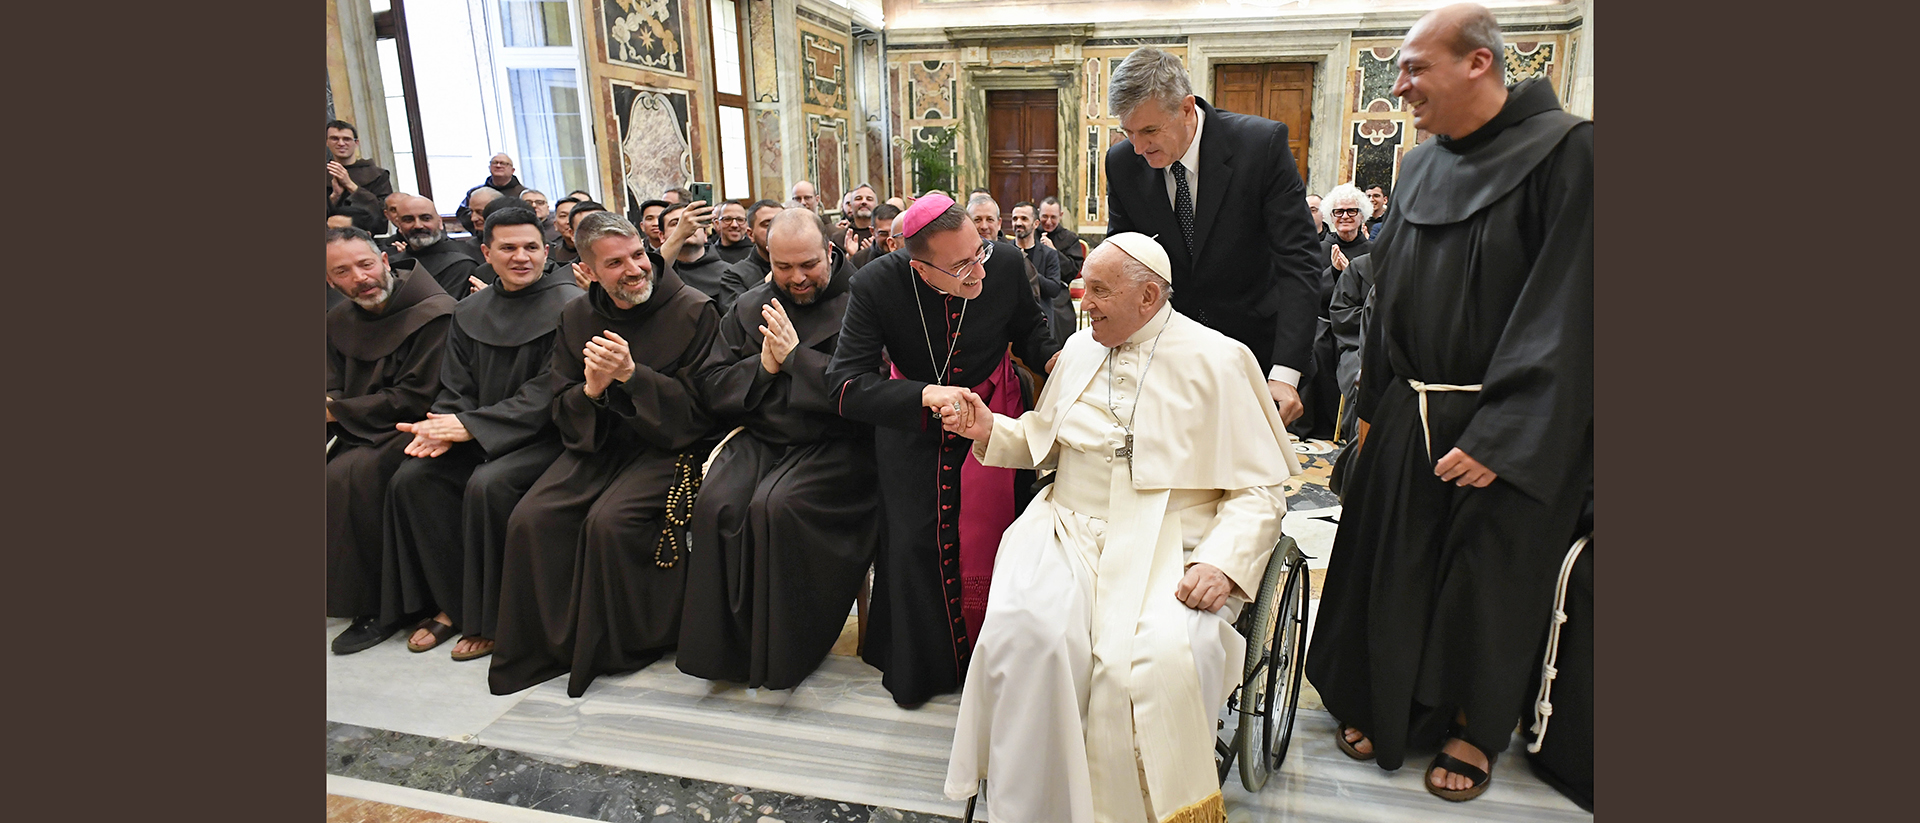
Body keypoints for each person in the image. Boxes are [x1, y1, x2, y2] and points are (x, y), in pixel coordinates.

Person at [1304, 2, 1593, 803]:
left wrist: (1504, 432)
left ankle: (1474, 722)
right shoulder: (1422, 165)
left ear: (1479, 63)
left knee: (1486, 580)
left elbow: (1573, 306)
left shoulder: (1571, 153)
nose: (1397, 87)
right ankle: (1390, 700)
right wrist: (1372, 405)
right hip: (1412, 404)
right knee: (1396, 560)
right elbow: (1388, 294)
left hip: (1509, 420)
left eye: (1412, 67)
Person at [941, 234, 1299, 823]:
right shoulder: (1081, 350)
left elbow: (1259, 489)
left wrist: (1224, 561)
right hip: (1066, 527)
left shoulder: (1221, 358)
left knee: (1165, 657)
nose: (1084, 302)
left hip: (1174, 538)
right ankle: (1036, 807)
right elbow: (1041, 441)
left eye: (1102, 291)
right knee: (1030, 635)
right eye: (1086, 287)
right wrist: (988, 429)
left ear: (1149, 296)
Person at [825, 193, 1060, 708]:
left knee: (1000, 540)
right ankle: (926, 668)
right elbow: (843, 385)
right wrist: (924, 395)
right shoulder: (876, 283)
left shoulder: (1003, 264)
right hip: (912, 425)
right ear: (920, 267)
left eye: (980, 252)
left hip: (994, 419)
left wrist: (1062, 359)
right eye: (960, 266)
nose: (978, 272)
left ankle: (998, 663)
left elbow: (1031, 333)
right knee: (915, 543)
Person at [487, 211, 721, 698]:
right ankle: (552, 645)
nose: (635, 269)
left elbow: (705, 409)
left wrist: (635, 377)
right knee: (533, 517)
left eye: (638, 255)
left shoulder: (694, 309)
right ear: (588, 271)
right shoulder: (577, 315)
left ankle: (620, 646)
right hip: (598, 443)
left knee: (609, 522)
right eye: (615, 263)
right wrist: (592, 391)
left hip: (668, 445)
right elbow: (561, 401)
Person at [679, 209, 879, 689]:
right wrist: (764, 369)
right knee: (717, 504)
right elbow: (709, 384)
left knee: (778, 507)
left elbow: (874, 388)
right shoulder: (751, 307)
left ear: (829, 252)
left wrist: (796, 361)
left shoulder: (866, 303)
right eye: (783, 267)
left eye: (807, 265)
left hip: (839, 444)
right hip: (765, 437)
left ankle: (786, 652)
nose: (796, 278)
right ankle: (729, 652)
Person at [379, 206, 583, 661]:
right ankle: (453, 604)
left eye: (531, 247)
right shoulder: (470, 309)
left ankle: (491, 616)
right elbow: (456, 385)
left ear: (546, 251)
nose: (521, 257)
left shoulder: (571, 305)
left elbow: (549, 390)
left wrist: (470, 427)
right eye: (507, 248)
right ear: (486, 253)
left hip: (549, 438)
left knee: (488, 485)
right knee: (413, 479)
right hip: (480, 432)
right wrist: (443, 429)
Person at [1102, 46, 1323, 427]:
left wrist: (1285, 374)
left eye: (1150, 131)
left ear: (1187, 108)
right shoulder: (1123, 163)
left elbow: (1299, 262)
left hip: (1257, 353)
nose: (1138, 147)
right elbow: (1125, 263)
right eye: (1129, 132)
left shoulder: (1260, 145)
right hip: (1168, 359)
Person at [325, 226, 457, 654]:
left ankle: (383, 605)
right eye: (342, 272)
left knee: (350, 476)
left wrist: (339, 412)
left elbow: (418, 395)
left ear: (384, 261)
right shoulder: (339, 319)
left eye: (365, 264)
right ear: (330, 282)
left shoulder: (434, 311)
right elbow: (333, 381)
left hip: (419, 425)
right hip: (361, 423)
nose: (359, 278)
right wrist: (335, 407)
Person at [1294, 183, 1373, 441]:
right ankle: (1315, 426)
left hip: (1360, 324)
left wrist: (1352, 275)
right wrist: (1337, 272)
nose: (1345, 217)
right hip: (1324, 320)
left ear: (1362, 215)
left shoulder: (1373, 253)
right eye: (1338, 212)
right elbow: (1310, 292)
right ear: (1331, 216)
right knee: (1316, 348)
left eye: (1352, 211)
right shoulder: (1318, 249)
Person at [390, 195, 487, 300]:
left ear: (440, 222)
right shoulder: (393, 264)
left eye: (426, 218)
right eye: (408, 220)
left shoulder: (461, 264)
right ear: (399, 226)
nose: (418, 225)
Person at [1009, 200, 1076, 347]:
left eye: (1024, 219)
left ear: (1035, 224)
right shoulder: (1006, 251)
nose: (1018, 223)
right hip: (1010, 319)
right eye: (1015, 219)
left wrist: (1028, 270)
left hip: (1040, 319)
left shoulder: (1049, 254)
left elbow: (1053, 289)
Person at [1327, 252, 1375, 444]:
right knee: (1363, 376)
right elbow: (1340, 312)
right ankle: (1357, 442)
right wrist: (1375, 316)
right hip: (1356, 345)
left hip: (1404, 350)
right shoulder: (1361, 266)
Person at [658, 201, 731, 309]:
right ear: (661, 236)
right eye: (675, 224)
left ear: (705, 234)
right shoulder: (658, 273)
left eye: (693, 222)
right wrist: (680, 234)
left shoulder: (730, 273)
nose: (686, 227)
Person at [326, 120, 394, 233]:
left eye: (346, 139)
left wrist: (351, 186)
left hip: (367, 239)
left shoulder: (378, 175)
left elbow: (384, 215)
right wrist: (334, 197)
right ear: (327, 142)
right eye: (335, 139)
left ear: (356, 143)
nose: (341, 143)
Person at [717, 199, 784, 308]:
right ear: (751, 234)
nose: (776, 229)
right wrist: (770, 280)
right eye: (767, 225)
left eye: (782, 223)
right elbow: (735, 316)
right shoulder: (734, 276)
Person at [455, 154, 527, 229]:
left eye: (503, 163)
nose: (498, 166)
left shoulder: (523, 193)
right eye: (495, 163)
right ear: (489, 167)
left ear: (512, 170)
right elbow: (462, 213)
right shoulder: (475, 192)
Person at [1035, 196, 1086, 283]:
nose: (1048, 222)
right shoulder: (1031, 234)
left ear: (1061, 215)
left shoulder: (1070, 239)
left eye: (1053, 217)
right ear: (1038, 213)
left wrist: (1053, 251)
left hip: (1058, 288)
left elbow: (1072, 272)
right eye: (1045, 216)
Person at [848, 202, 901, 271]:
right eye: (883, 233)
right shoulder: (859, 260)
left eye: (895, 233)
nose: (890, 238)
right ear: (872, 231)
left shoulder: (911, 256)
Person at [548, 198, 581, 268]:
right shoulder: (550, 254)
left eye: (573, 215)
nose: (568, 221)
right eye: (563, 216)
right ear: (555, 224)